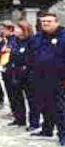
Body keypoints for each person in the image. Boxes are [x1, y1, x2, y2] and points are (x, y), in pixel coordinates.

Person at [29, 13, 65, 145]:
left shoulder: (63, 36)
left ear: (56, 22)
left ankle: (63, 135)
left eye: (49, 21)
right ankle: (47, 129)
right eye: (43, 21)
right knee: (43, 105)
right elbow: (31, 54)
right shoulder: (37, 37)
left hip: (58, 78)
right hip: (39, 76)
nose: (45, 24)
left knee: (59, 107)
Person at [3, 20, 39, 130]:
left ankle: (34, 123)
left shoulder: (32, 41)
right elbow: (12, 54)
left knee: (32, 99)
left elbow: (32, 57)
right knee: (16, 97)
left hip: (28, 74)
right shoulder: (14, 40)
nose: (16, 31)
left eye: (18, 29)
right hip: (15, 72)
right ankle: (19, 118)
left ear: (25, 30)